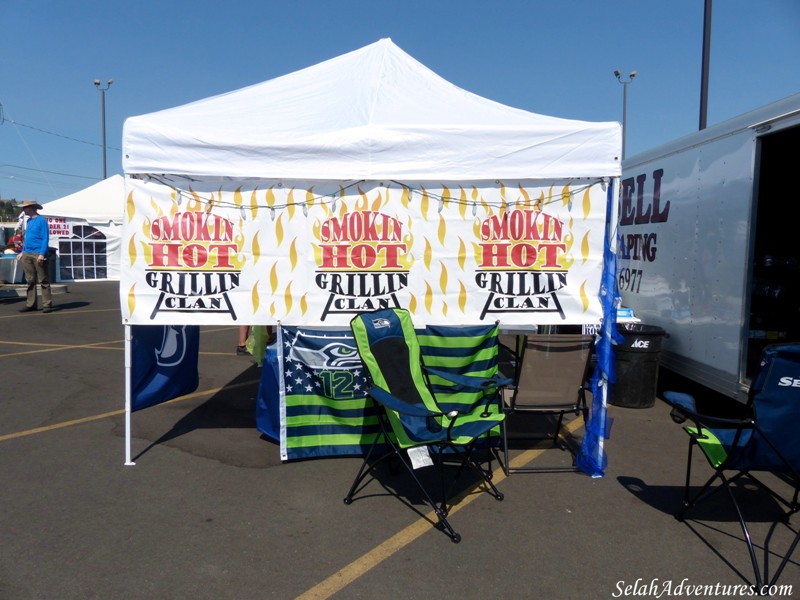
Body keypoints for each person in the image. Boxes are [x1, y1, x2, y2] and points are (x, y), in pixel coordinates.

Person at [16, 200, 53, 313]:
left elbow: (45, 238)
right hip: (28, 253)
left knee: (43, 280)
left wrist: (42, 253)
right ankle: (31, 304)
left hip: (38, 253)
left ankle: (47, 304)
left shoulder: (41, 221)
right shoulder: (30, 221)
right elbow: (27, 239)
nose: (23, 210)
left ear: (31, 208)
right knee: (30, 280)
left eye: (25, 208)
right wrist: (23, 251)